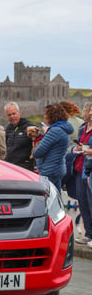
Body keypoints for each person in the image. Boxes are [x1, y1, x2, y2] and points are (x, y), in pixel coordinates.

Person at [32, 104, 73, 193]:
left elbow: (38, 152)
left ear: (51, 116)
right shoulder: (62, 129)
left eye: (46, 114)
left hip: (49, 170)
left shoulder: (55, 131)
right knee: (56, 196)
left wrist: (36, 147)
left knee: (46, 199)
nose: (44, 116)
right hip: (57, 168)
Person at [69, 102, 92, 245]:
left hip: (89, 170)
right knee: (83, 203)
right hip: (79, 168)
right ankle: (88, 234)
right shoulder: (83, 127)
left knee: (91, 203)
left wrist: (89, 151)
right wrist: (76, 148)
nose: (82, 112)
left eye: (84, 109)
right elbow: (80, 143)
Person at [4, 102, 35, 171]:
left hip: (25, 167)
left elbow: (38, 142)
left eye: (14, 114)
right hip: (11, 166)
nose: (12, 116)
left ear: (19, 113)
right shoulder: (8, 128)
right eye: (9, 115)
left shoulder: (29, 127)